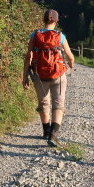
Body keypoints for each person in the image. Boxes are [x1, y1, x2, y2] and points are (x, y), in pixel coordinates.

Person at [23, 9, 75, 147]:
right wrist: (71, 65)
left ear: (43, 19)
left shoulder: (35, 35)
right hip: (58, 74)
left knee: (44, 103)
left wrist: (25, 77)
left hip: (39, 75)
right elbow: (70, 56)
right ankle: (53, 135)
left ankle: (46, 131)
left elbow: (29, 56)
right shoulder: (60, 36)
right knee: (58, 103)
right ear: (56, 21)